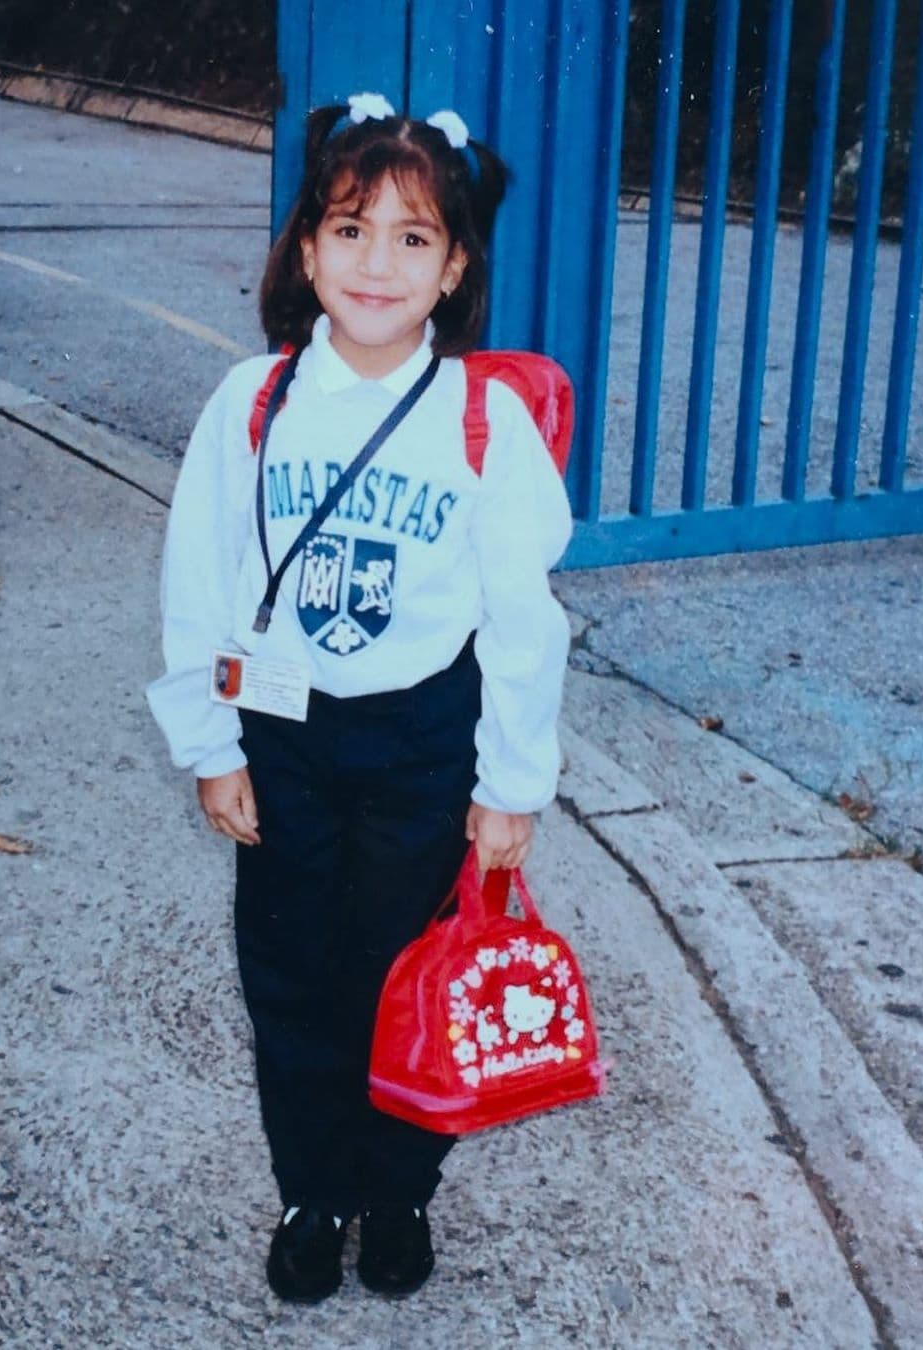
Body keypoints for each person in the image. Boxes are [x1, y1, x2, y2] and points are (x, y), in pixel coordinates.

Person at [146, 92, 572, 1305]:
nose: (376, 263)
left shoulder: (483, 423)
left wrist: (509, 789)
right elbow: (199, 581)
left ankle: (396, 1193)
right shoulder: (255, 404)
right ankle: (314, 1189)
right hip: (284, 729)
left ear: (454, 269)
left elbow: (525, 624)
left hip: (421, 739)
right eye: (349, 229)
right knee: (290, 972)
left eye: (413, 238)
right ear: (305, 248)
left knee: (404, 976)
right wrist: (210, 743)